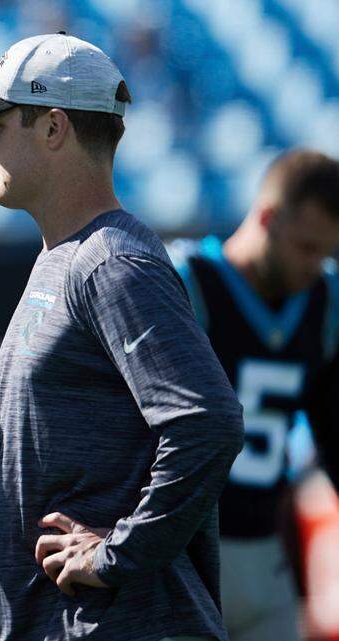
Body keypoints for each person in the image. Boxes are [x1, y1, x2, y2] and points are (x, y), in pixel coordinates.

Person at [0, 33, 244, 641]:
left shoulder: (112, 264)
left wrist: (116, 555)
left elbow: (207, 422)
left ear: (54, 128)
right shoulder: (68, 256)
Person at [168, 149, 339, 641]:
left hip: (266, 559)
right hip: (180, 559)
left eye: (326, 252)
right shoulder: (185, 283)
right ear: (267, 217)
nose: (316, 266)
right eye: (307, 247)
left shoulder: (324, 303)